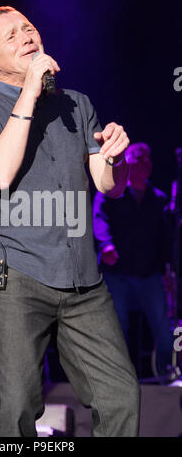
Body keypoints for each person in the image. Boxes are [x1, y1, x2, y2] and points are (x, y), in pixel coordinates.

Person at [0, 6, 140, 437]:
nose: (26, 37)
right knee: (18, 407)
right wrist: (29, 93)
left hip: (83, 282)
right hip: (16, 277)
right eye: (11, 37)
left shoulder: (78, 104)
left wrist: (116, 157)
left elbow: (108, 186)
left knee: (121, 397)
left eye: (29, 29)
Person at [93, 142, 173, 378]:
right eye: (137, 158)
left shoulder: (158, 199)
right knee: (118, 327)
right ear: (128, 161)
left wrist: (168, 271)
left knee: (163, 327)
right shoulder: (112, 192)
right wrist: (106, 246)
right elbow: (99, 221)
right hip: (117, 273)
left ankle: (166, 373)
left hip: (149, 274)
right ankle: (120, 378)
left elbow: (166, 240)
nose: (143, 163)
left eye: (147, 158)